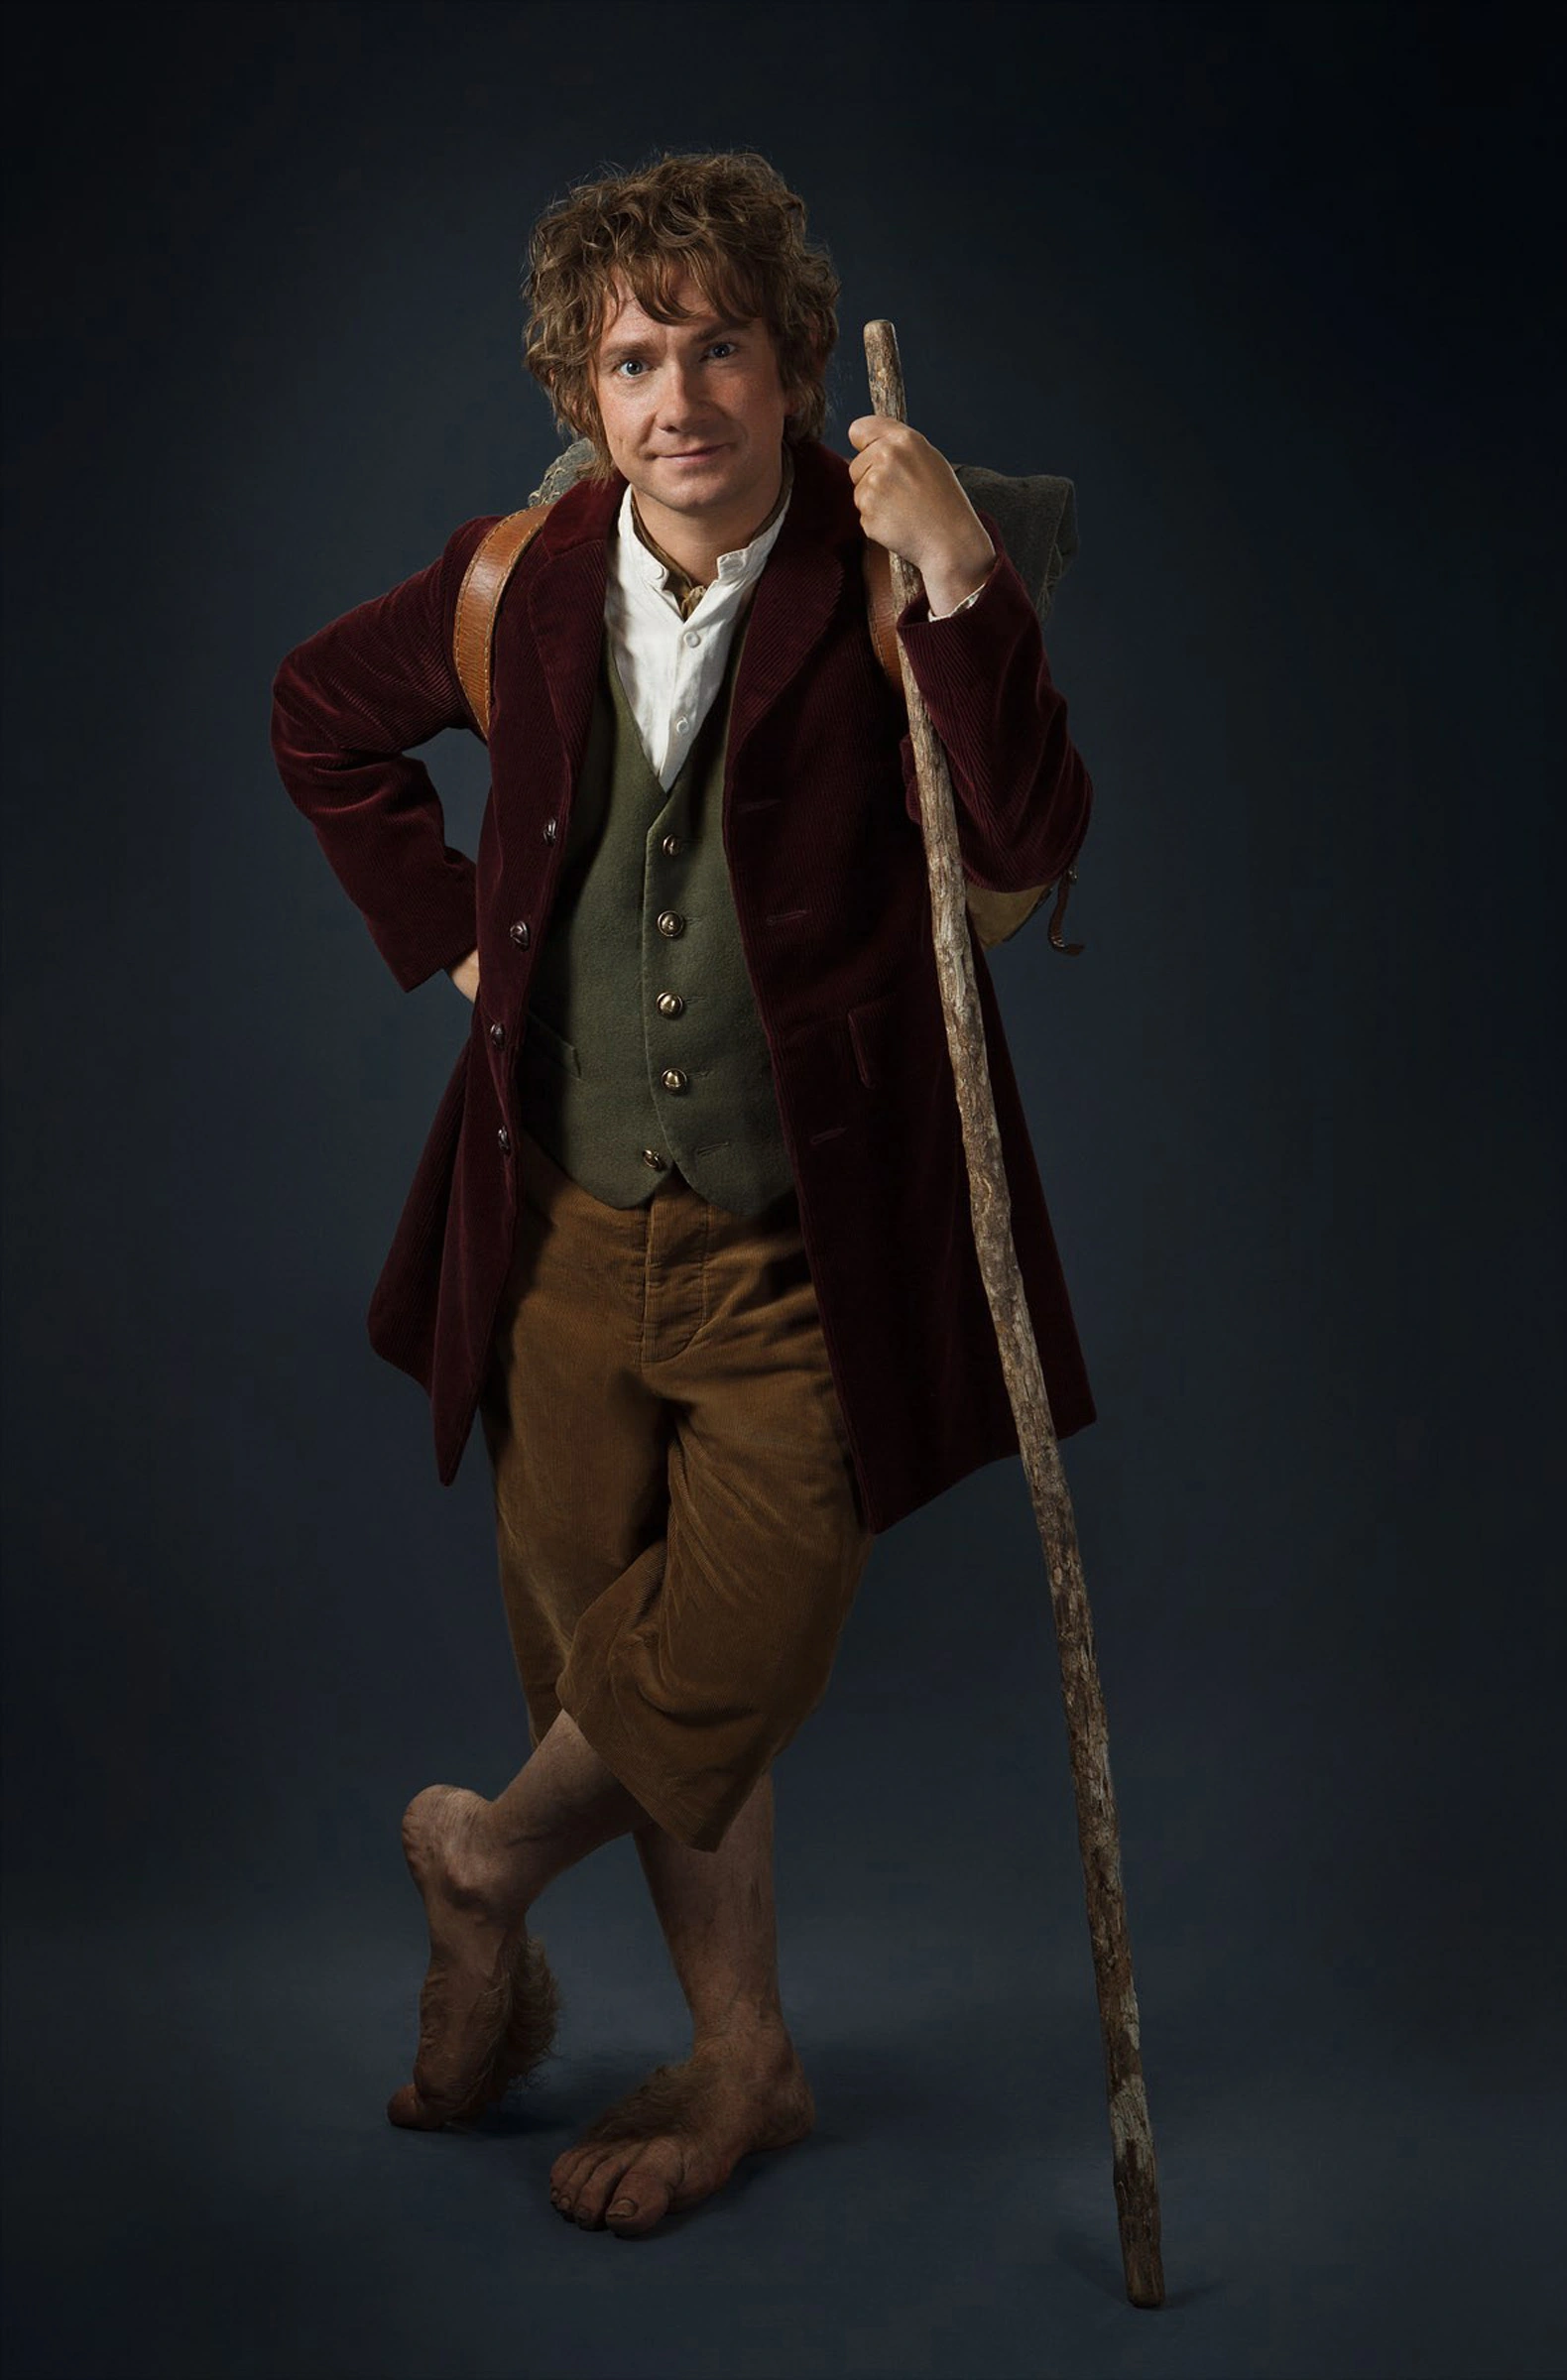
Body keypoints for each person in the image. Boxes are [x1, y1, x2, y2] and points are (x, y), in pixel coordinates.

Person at [270, 148, 1096, 2239]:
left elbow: (1031, 830)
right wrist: (456, 945)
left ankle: (478, 1862)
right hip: (552, 1231)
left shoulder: (887, 566)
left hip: (803, 1246)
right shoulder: (522, 577)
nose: (679, 400)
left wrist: (964, 576)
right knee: (602, 1670)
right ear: (582, 387)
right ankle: (746, 2061)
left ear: (797, 366)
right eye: (633, 361)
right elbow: (320, 717)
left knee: (718, 1648)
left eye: (719, 348)